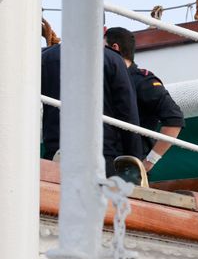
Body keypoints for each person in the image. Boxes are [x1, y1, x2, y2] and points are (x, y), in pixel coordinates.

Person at [40, 42, 144, 177]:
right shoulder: (112, 59)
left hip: (56, 151)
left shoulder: (45, 58)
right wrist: (134, 159)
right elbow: (127, 112)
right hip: (101, 152)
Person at [104, 27, 185, 174]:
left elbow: (174, 120)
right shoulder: (104, 81)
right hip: (103, 162)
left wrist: (148, 163)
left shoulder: (143, 82)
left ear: (114, 48)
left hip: (128, 170)